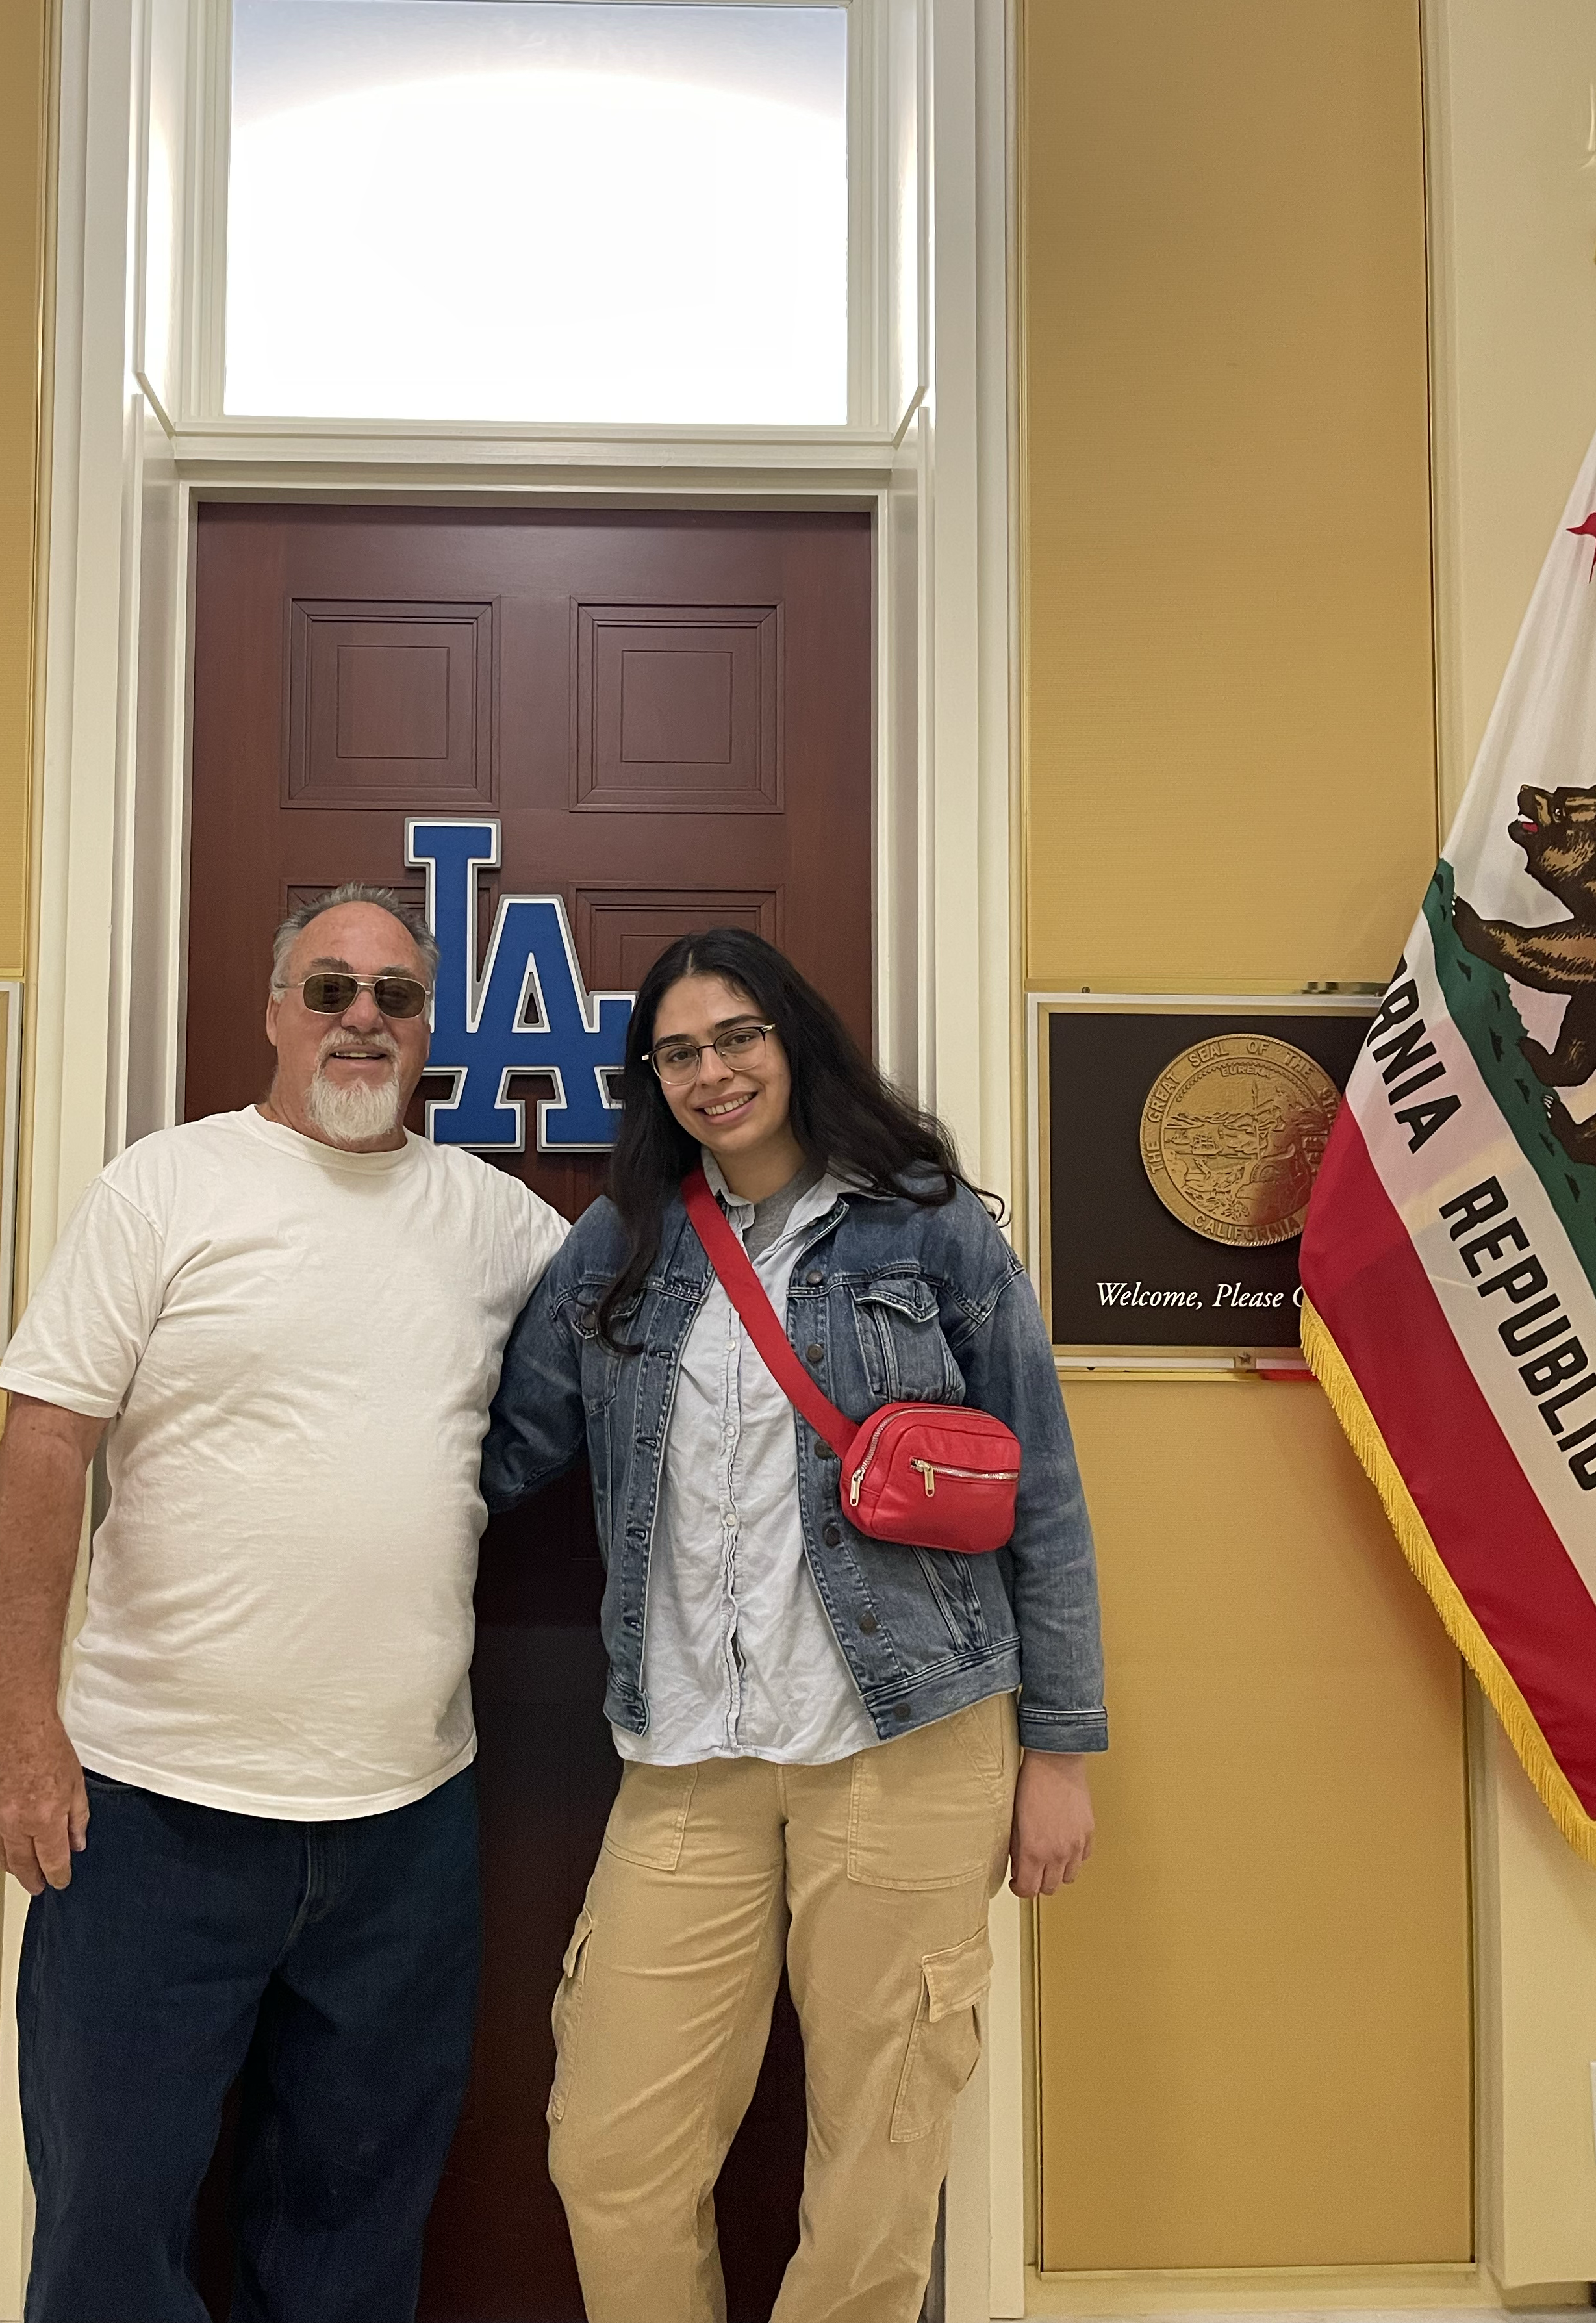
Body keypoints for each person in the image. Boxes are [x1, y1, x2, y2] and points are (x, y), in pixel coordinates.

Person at [0, 885, 566, 2323]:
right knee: (109, 2221)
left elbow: (673, 1339)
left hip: (405, 1826)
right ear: (275, 1009)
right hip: (148, 1813)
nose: (364, 1019)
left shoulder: (500, 1224)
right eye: (332, 988)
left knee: (358, 2227)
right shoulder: (163, 1189)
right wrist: (15, 1730)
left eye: (396, 998)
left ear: (431, 1029)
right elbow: (44, 1448)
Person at [483, 928, 1105, 2323]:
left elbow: (1043, 1489)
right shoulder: (619, 1244)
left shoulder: (928, 1225)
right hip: (690, 1753)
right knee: (609, 2152)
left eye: (740, 1036)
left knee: (878, 2161)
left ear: (796, 1038)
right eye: (681, 1051)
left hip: (913, 1740)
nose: (715, 1072)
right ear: (654, 1078)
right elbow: (502, 1449)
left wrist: (1059, 1749)